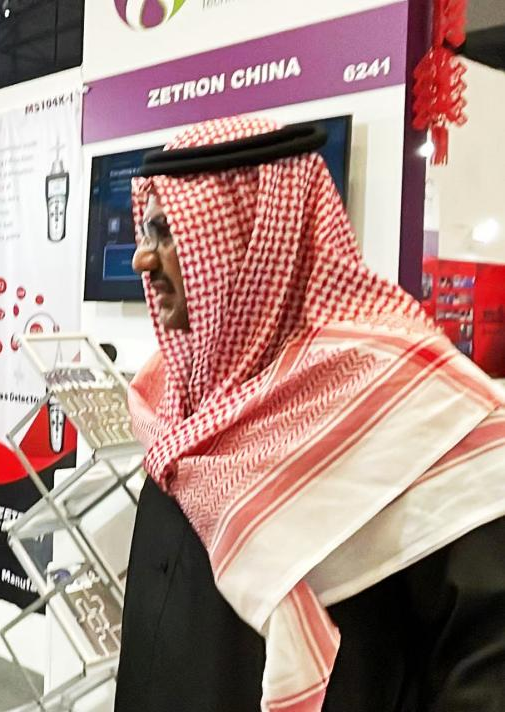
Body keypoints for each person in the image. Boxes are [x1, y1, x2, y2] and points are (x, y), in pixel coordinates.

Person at [116, 116, 505, 712]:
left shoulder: (409, 399)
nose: (143, 259)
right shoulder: (172, 393)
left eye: (167, 232)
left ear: (255, 241)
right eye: (146, 230)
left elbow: (484, 656)